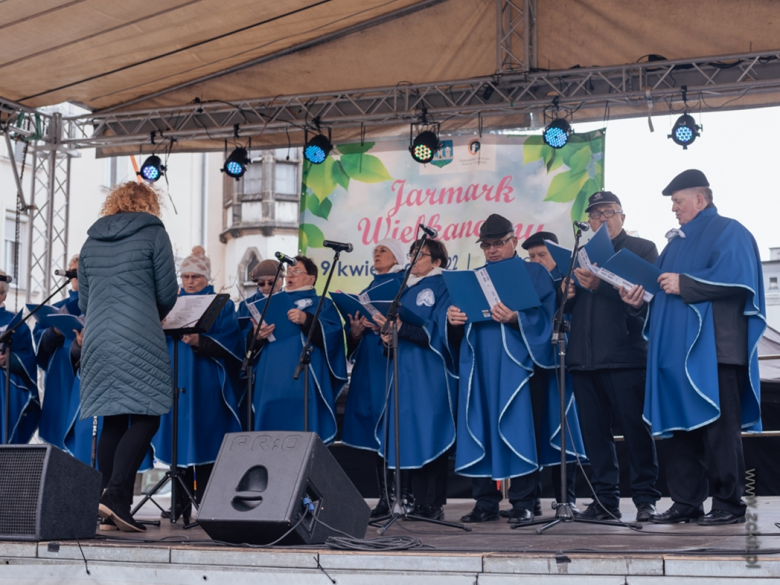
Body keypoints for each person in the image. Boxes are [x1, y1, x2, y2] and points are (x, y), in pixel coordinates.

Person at [621, 170, 765, 525]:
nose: (674, 209)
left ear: (700, 199)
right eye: (672, 203)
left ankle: (729, 505)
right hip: (672, 354)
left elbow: (739, 275)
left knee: (720, 431)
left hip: (714, 349)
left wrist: (685, 282)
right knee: (680, 430)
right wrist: (635, 300)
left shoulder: (731, 230)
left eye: (678, 201)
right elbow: (659, 290)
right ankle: (686, 502)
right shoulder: (673, 245)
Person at [449, 215, 584, 524]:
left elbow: (550, 315)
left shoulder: (534, 272)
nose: (493, 250)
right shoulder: (474, 276)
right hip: (481, 365)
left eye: (499, 244)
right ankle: (485, 502)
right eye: (487, 245)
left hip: (519, 367)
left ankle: (524, 501)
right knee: (480, 426)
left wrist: (516, 318)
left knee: (522, 428)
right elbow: (461, 324)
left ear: (513, 240)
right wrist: (453, 319)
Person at [79, 181, 178, 533]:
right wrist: (152, 311)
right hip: (138, 332)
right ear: (150, 204)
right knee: (150, 413)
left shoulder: (91, 241)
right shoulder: (154, 233)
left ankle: (104, 502)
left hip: (97, 338)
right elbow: (167, 292)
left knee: (114, 419)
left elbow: (84, 303)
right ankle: (118, 495)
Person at [564, 191, 661, 523]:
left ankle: (646, 499)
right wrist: (568, 294)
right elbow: (567, 308)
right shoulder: (580, 254)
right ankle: (604, 500)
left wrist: (598, 286)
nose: (601, 219)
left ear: (623, 216)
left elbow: (649, 299)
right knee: (594, 434)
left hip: (626, 354)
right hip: (583, 357)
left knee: (636, 431)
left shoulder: (642, 248)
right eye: (594, 214)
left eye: (608, 212)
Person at [152, 247, 243, 517]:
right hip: (172, 380)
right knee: (177, 438)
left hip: (205, 383)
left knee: (205, 438)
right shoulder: (169, 303)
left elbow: (232, 343)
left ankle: (206, 501)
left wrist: (199, 341)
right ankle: (177, 504)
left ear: (206, 278)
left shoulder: (221, 305)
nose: (190, 282)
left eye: (196, 277)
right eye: (185, 276)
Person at [374, 238, 455, 520]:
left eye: (421, 255)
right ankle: (406, 499)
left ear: (438, 262)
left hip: (430, 372)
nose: (414, 260)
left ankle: (431, 504)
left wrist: (403, 328)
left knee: (430, 432)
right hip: (404, 373)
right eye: (412, 254)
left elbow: (439, 331)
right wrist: (388, 337)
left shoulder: (444, 285)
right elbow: (402, 332)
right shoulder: (405, 291)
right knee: (405, 433)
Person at [340, 239, 408, 518]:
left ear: (397, 257)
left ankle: (401, 496)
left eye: (383, 250)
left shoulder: (404, 285)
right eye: (375, 251)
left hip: (388, 364)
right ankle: (385, 496)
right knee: (370, 428)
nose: (376, 254)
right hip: (366, 364)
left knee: (390, 426)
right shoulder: (369, 287)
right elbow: (353, 339)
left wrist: (385, 325)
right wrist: (355, 330)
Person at [250, 256, 347, 442]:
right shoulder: (270, 301)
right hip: (271, 381)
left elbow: (334, 336)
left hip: (305, 381)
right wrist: (257, 336)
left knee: (305, 433)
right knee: (270, 438)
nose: (290, 276)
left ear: (311, 279)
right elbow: (249, 344)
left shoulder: (322, 303)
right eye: (288, 272)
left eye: (297, 272)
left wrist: (307, 320)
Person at [521, 230, 579, 514]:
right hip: (532, 364)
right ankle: (530, 499)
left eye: (542, 255)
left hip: (561, 364)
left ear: (557, 257)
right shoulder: (526, 284)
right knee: (532, 429)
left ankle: (564, 498)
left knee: (561, 428)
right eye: (531, 256)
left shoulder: (568, 282)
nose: (536, 261)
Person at [35, 254, 81, 450]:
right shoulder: (58, 308)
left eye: (81, 273)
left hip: (82, 378)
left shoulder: (97, 305)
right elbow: (41, 347)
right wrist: (53, 331)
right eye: (73, 273)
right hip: (59, 377)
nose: (77, 277)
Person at [0, 270, 40, 444]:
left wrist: (9, 359)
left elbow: (29, 358)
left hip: (4, 389)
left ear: (3, 295)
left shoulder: (15, 323)